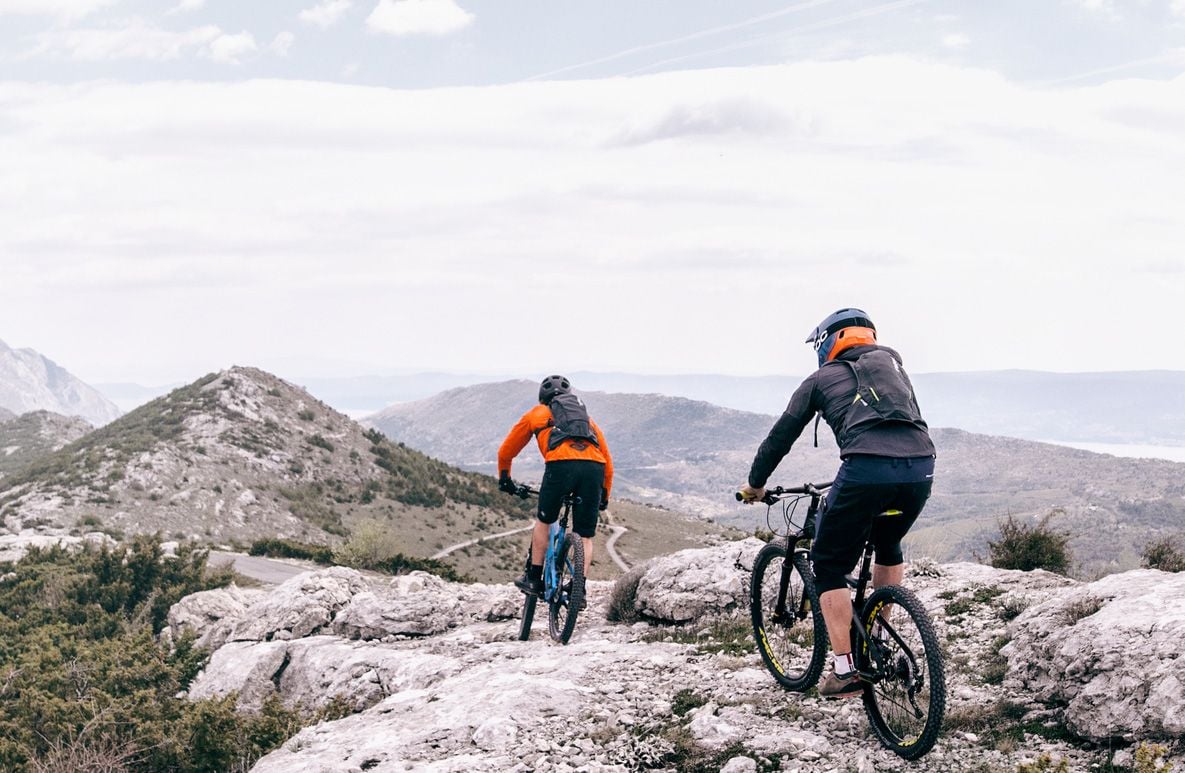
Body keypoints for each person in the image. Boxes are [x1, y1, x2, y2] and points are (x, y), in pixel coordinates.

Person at [739, 308, 935, 699]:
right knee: (887, 541)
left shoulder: (820, 378)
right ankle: (877, 636)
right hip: (921, 469)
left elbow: (780, 437)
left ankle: (846, 669)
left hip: (865, 471)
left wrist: (756, 485)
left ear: (831, 340)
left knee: (827, 564)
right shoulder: (893, 368)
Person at [498, 375, 614, 596]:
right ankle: (579, 591)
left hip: (561, 467)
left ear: (543, 397)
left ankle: (533, 578)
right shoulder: (587, 421)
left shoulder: (536, 414)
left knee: (545, 520)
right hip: (594, 469)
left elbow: (506, 451)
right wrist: (604, 496)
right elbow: (608, 464)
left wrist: (505, 478)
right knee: (585, 535)